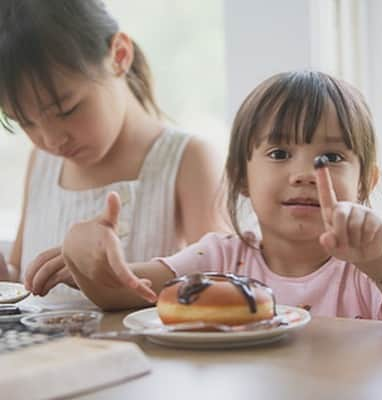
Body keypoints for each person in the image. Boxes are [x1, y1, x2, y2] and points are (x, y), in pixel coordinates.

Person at [62, 70, 382, 320]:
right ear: (240, 177)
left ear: (365, 182)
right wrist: (83, 253)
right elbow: (121, 291)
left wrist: (381, 262)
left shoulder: (367, 269)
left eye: (331, 158)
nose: (304, 175)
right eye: (280, 153)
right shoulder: (219, 260)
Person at [0, 0, 226, 308]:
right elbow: (19, 278)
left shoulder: (187, 159)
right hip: (47, 355)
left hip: (142, 356)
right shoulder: (41, 162)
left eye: (67, 110)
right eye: (25, 122)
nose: (52, 140)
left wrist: (101, 277)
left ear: (119, 55)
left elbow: (222, 282)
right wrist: (6, 273)